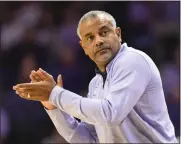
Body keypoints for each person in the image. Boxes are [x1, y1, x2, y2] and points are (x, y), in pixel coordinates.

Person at [13, 10, 178, 143]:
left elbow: (110, 114)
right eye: (90, 38)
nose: (98, 41)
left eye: (104, 32)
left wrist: (55, 94)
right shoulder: (96, 84)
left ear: (118, 34)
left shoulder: (132, 60)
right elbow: (87, 139)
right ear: (83, 47)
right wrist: (52, 106)